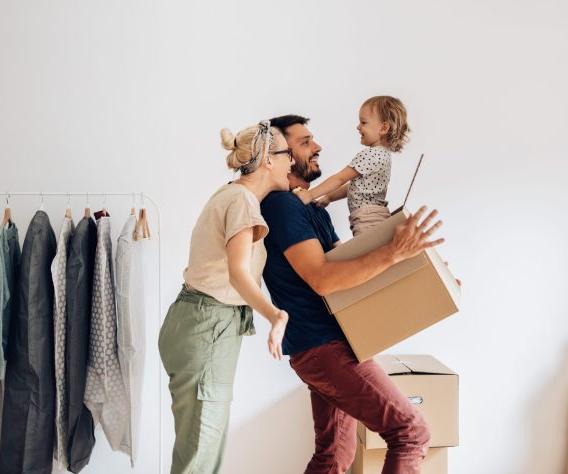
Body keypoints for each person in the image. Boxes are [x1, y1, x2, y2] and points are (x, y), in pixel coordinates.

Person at [261, 114, 443, 474]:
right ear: (278, 156)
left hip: (327, 345)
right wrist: (394, 252)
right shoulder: (280, 206)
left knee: (333, 457)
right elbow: (323, 280)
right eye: (305, 142)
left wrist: (426, 276)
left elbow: (352, 271)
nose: (318, 147)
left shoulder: (309, 207)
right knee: (410, 432)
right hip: (325, 347)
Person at [158, 121, 293, 474]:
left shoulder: (231, 194)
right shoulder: (242, 202)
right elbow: (238, 272)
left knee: (198, 451)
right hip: (207, 328)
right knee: (200, 458)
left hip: (199, 324)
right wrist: (275, 315)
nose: (291, 161)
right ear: (267, 159)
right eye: (286, 154)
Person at [294, 96, 410, 236]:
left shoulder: (370, 154)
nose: (358, 126)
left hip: (367, 219)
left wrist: (310, 194)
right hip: (376, 216)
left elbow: (340, 178)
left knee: (367, 254)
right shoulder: (383, 155)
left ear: (384, 128)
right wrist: (329, 197)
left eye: (363, 122)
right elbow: (355, 186)